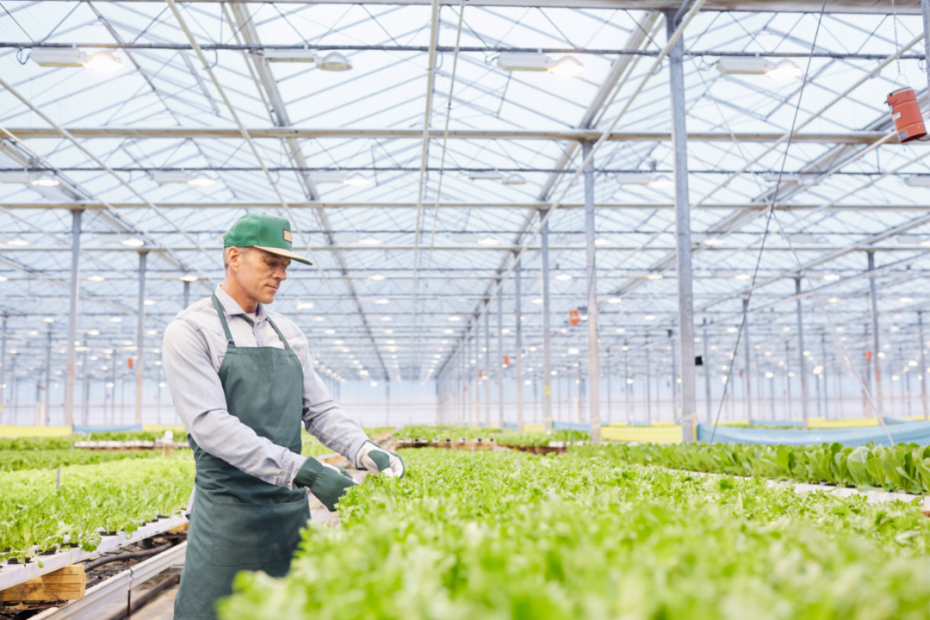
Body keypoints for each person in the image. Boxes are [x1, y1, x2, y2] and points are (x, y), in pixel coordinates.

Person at [162, 213, 404, 620]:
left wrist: (365, 450)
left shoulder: (288, 333)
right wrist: (306, 470)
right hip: (229, 518)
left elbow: (319, 409)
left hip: (290, 516)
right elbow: (210, 425)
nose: (281, 274)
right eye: (270, 263)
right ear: (234, 257)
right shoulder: (191, 330)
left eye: (286, 265)